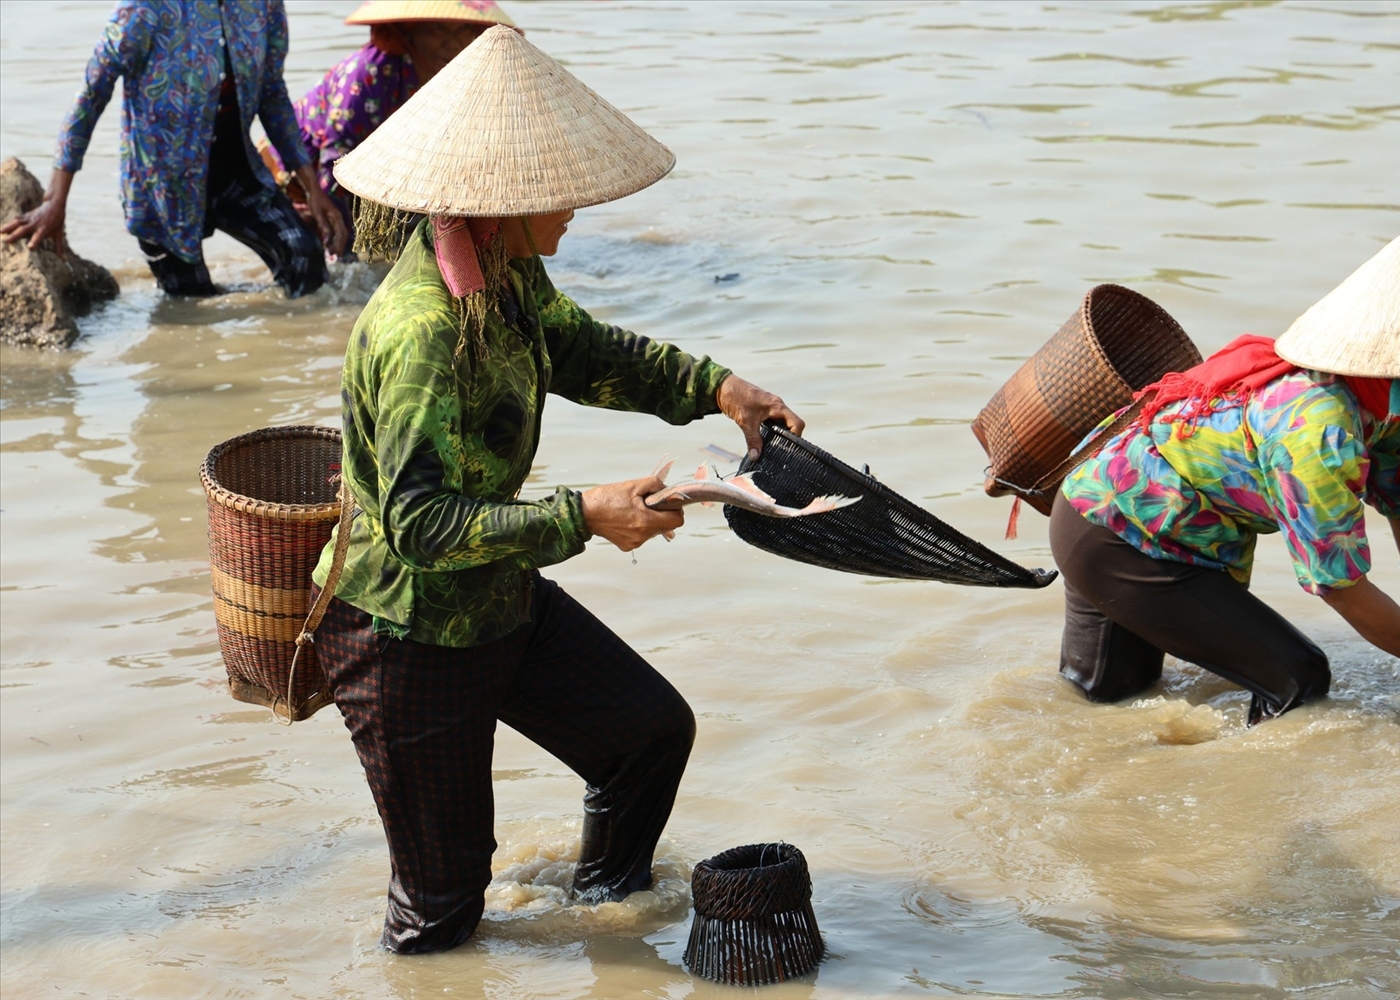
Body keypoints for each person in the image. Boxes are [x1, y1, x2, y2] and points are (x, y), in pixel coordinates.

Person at [309, 25, 805, 953]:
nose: (573, 207)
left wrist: (715, 387)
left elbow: (585, 352)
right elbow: (420, 526)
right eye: (557, 194)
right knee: (443, 910)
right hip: (406, 633)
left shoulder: (504, 275)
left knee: (648, 736)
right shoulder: (421, 331)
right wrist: (585, 514)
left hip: (495, 599)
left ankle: (601, 934)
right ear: (496, 201)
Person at [1050, 227, 1400, 725]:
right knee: (1297, 678)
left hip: (1149, 529)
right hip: (1111, 535)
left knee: (1112, 706)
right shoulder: (1317, 428)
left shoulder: (1397, 401)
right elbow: (1339, 584)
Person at [1, 1, 345, 298]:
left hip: (235, 172)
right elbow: (91, 95)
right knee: (192, 309)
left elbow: (271, 93)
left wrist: (313, 188)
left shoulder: (263, 5)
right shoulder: (146, 7)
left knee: (305, 260)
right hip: (162, 192)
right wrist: (54, 201)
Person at [260, 0, 518, 250]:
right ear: (409, 33)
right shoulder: (369, 73)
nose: (450, 43)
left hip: (380, 172)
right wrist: (337, 230)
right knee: (329, 249)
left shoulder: (463, 78)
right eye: (437, 29)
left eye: (463, 30)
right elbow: (336, 157)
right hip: (308, 172)